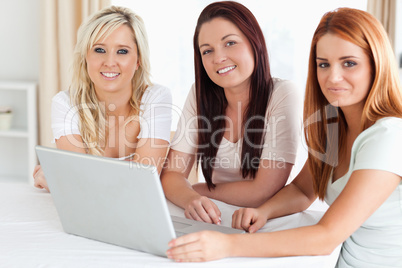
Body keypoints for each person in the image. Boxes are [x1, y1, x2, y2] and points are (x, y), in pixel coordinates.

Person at [166, 7, 402, 266]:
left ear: (376, 64)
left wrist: (227, 244)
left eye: (349, 63)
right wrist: (263, 212)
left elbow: (327, 237)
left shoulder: (389, 136)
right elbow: (302, 190)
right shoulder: (334, 128)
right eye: (323, 64)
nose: (333, 76)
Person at [161, 1, 302, 225]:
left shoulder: (282, 94)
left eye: (230, 43)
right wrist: (190, 199)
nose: (218, 58)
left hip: (262, 221)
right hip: (215, 218)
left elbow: (262, 191)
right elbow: (171, 175)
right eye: (207, 50)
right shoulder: (200, 95)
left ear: (254, 42)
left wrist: (198, 190)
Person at [33, 6, 172, 192]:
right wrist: (67, 180)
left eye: (122, 51)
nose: (109, 62)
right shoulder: (65, 104)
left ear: (138, 59)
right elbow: (78, 185)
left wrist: (57, 179)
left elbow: (141, 187)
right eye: (99, 50)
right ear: (85, 57)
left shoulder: (156, 99)